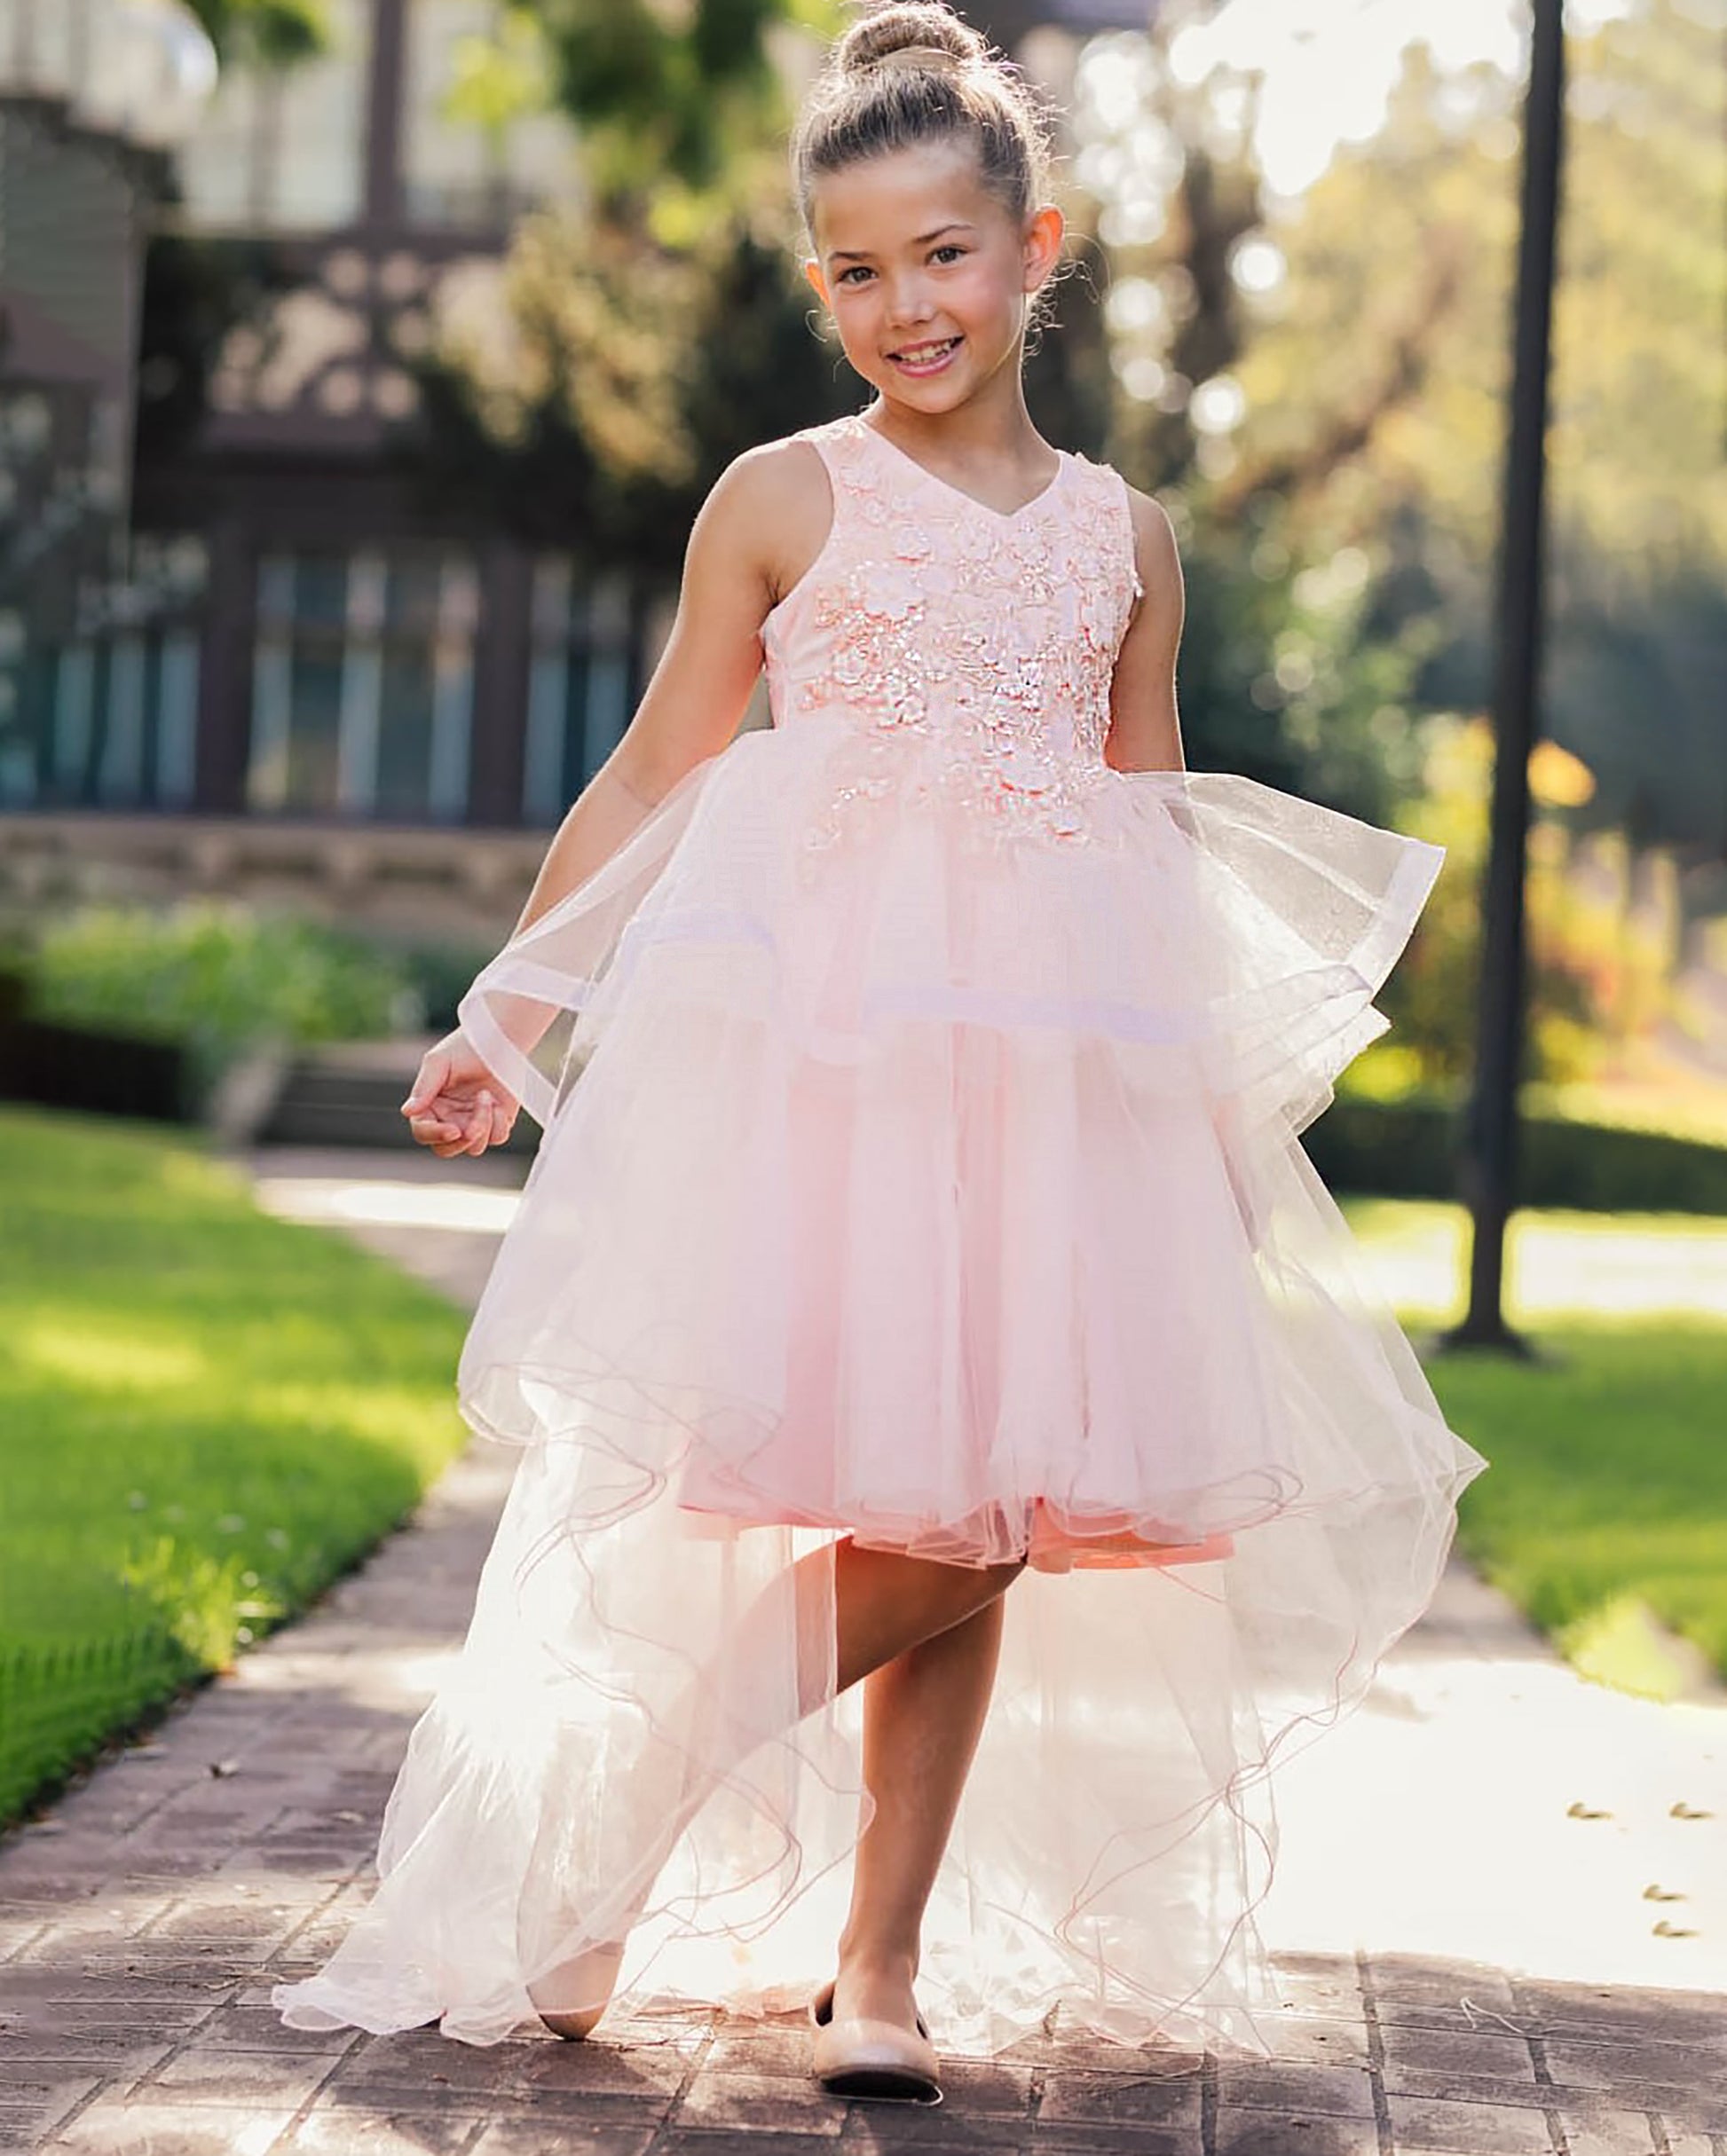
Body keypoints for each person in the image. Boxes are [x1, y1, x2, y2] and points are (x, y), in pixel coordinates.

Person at [273, 0, 1488, 2107]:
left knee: (994, 1493)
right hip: (824, 1057)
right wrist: (511, 1005)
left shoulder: (1125, 537)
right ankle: (624, 1821)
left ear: (1038, 246)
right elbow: (660, 771)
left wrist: (1195, 1113)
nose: (901, 303)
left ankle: (877, 1960)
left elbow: (1149, 824)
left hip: (1049, 1078)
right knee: (914, 1485)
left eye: (943, 253)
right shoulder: (779, 498)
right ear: (817, 282)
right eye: (853, 268)